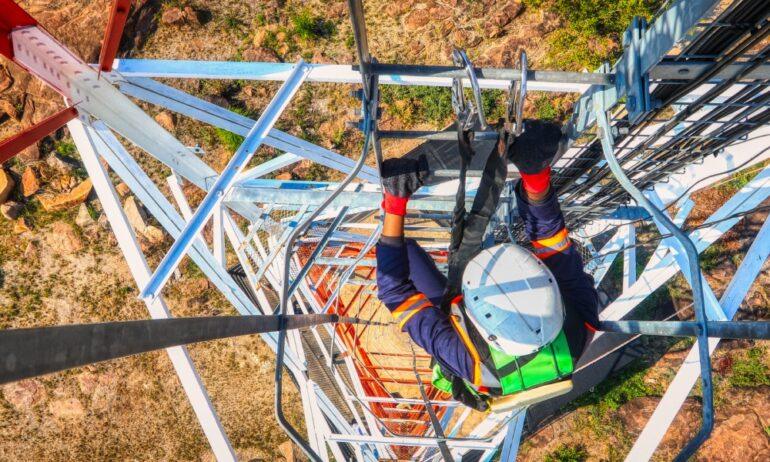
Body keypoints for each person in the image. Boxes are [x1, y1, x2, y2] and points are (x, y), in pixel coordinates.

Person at [375, 120, 600, 410]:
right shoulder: (579, 325)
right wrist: (536, 171)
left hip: (469, 349)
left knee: (401, 251)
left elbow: (395, 292)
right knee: (400, 251)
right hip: (491, 340)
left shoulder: (465, 358)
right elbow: (551, 240)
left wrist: (395, 203)